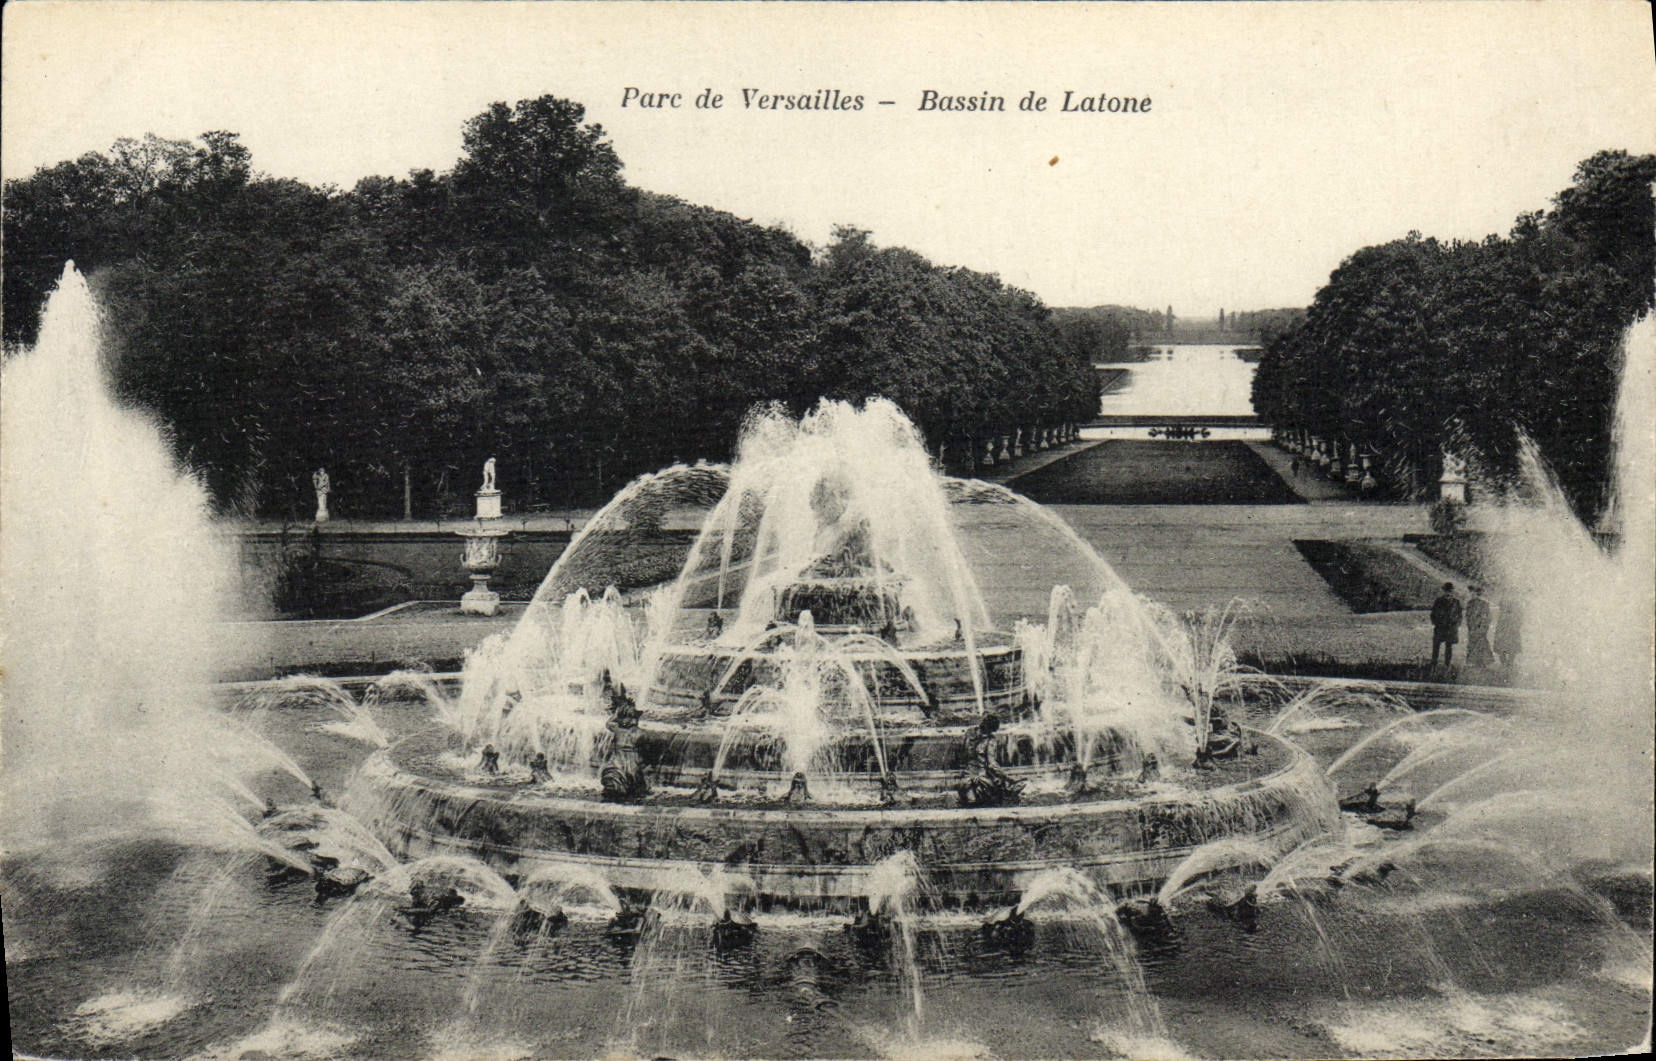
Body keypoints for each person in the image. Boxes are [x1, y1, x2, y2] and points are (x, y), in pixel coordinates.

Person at [957, 715, 1025, 807]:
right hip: (982, 778)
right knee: (1001, 784)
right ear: (991, 730)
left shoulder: (969, 733)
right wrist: (1008, 778)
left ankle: (971, 796)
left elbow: (961, 754)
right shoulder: (991, 740)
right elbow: (992, 765)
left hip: (966, 777)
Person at [600, 697, 648, 801]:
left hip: (630, 757)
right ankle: (614, 790)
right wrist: (616, 714)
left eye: (631, 718)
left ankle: (630, 791)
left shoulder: (637, 732)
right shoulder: (618, 728)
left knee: (631, 775)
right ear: (620, 719)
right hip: (619, 756)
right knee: (613, 773)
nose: (628, 721)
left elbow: (642, 747)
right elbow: (608, 723)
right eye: (624, 717)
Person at [1429, 582, 1463, 668]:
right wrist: (1435, 622)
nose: (1448, 593)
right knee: (1436, 645)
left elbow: (1459, 615)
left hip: (1451, 628)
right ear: (1444, 591)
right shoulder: (1438, 601)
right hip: (1440, 627)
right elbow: (1433, 613)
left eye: (1450, 591)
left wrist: (1457, 625)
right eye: (1447, 591)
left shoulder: (1456, 602)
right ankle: (1433, 664)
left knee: (1449, 646)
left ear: (1452, 592)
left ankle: (1447, 664)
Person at [1464, 586, 1494, 668]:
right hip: (1474, 627)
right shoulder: (1470, 603)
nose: (1473, 595)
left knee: (1480, 644)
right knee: (1474, 643)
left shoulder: (1483, 604)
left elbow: (1487, 617)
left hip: (1479, 627)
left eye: (1475, 593)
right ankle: (1475, 661)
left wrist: (1483, 627)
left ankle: (1481, 661)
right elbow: (1468, 616)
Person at [1493, 596, 1523, 673]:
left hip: (1509, 629)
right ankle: (1506, 662)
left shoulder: (1515, 606)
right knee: (1504, 646)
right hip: (1505, 628)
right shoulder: (1505, 605)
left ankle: (1508, 662)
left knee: (1510, 646)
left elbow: (1520, 618)